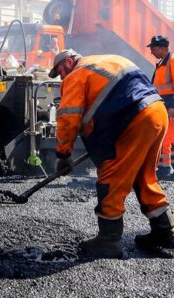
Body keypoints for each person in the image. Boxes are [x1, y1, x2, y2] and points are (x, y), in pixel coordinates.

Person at [49, 49, 174, 258]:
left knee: (111, 176)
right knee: (144, 177)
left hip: (133, 119)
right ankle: (165, 232)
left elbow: (69, 117)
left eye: (60, 70)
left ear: (69, 61)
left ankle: (108, 241)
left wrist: (63, 155)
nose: (61, 76)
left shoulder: (77, 74)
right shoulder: (108, 59)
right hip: (156, 113)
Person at [147, 35, 174, 180]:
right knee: (164, 138)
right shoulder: (163, 62)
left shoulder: (172, 61)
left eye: (153, 48)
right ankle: (164, 168)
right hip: (164, 105)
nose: (151, 51)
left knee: (166, 138)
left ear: (163, 48)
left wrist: (172, 106)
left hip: (170, 106)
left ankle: (166, 168)